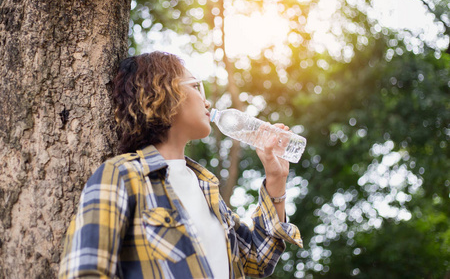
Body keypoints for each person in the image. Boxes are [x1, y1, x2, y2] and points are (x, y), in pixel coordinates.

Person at [58, 51, 303, 279]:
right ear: (161, 92)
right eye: (197, 86)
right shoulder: (123, 175)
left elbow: (257, 260)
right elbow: (86, 271)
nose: (207, 103)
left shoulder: (206, 188)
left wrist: (276, 179)